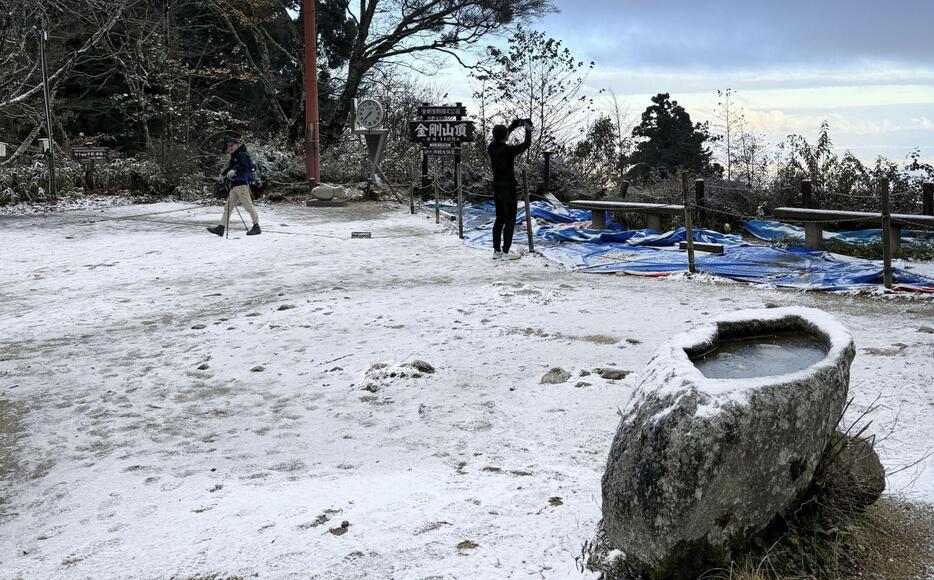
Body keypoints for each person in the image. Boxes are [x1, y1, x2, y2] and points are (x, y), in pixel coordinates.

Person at [487, 119, 532, 260]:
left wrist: (514, 125)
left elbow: (503, 135)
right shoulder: (508, 151)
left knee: (499, 219)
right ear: (504, 136)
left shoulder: (492, 147)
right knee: (510, 220)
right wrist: (528, 130)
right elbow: (526, 144)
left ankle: (497, 251)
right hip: (509, 188)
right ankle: (506, 252)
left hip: (497, 187)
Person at [207, 137, 261, 236]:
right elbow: (231, 167)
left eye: (232, 145)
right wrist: (223, 174)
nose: (230, 147)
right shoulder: (235, 155)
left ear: (237, 145)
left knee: (248, 206)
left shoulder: (242, 154)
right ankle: (221, 228)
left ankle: (256, 226)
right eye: (228, 146)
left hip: (241, 185)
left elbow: (244, 167)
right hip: (235, 185)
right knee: (228, 207)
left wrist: (235, 171)